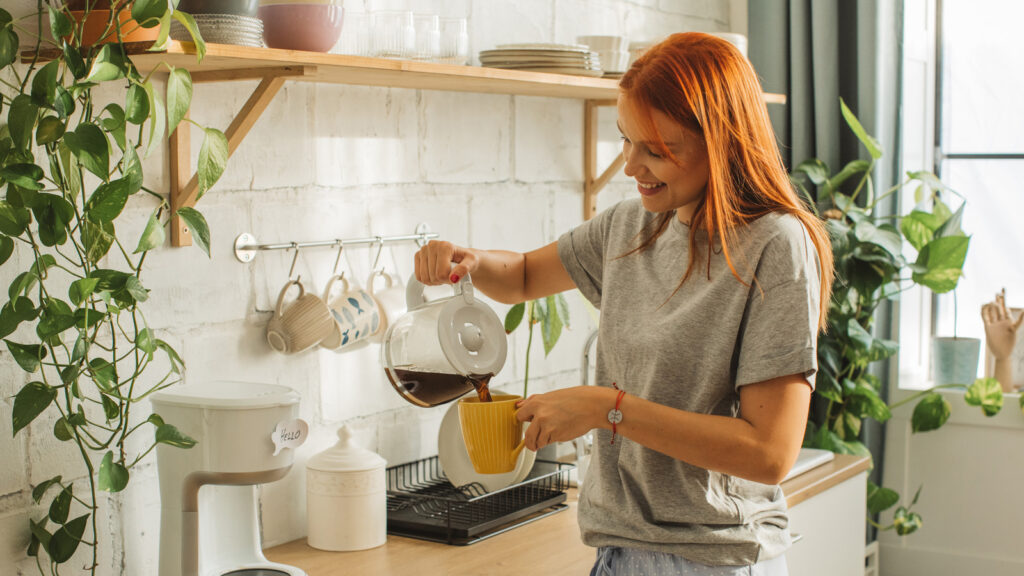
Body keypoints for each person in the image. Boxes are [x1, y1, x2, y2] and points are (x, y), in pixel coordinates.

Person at [413, 32, 834, 576]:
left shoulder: (775, 245)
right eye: (626, 140)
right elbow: (519, 276)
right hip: (619, 553)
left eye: (657, 149)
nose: (632, 165)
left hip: (709, 559)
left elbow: (769, 454)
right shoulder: (632, 226)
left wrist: (605, 408)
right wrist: (466, 259)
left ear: (721, 141)